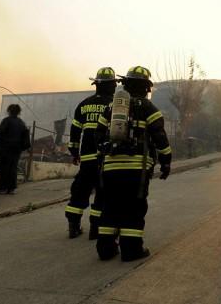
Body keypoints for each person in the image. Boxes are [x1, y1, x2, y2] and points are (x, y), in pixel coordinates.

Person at [95, 66, 171, 262]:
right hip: (136, 169)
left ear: (126, 85)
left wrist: (102, 158)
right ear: (147, 88)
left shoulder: (112, 108)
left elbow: (98, 133)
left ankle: (105, 249)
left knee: (109, 206)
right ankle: (131, 250)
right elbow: (160, 138)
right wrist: (166, 163)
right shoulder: (149, 108)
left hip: (111, 167)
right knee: (133, 208)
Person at [64, 67, 117, 240]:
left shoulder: (84, 104)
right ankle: (96, 228)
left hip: (87, 158)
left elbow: (75, 130)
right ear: (112, 85)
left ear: (96, 85)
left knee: (80, 190)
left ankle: (73, 226)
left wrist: (74, 151)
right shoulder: (115, 106)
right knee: (103, 192)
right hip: (106, 158)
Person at [0, 104, 30, 194]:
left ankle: (3, 188)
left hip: (5, 149)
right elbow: (26, 137)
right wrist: (21, 148)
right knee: (13, 168)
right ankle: (11, 188)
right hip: (16, 150)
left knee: (4, 168)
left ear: (9, 111)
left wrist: (1, 146)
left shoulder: (6, 121)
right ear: (19, 112)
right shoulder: (21, 123)